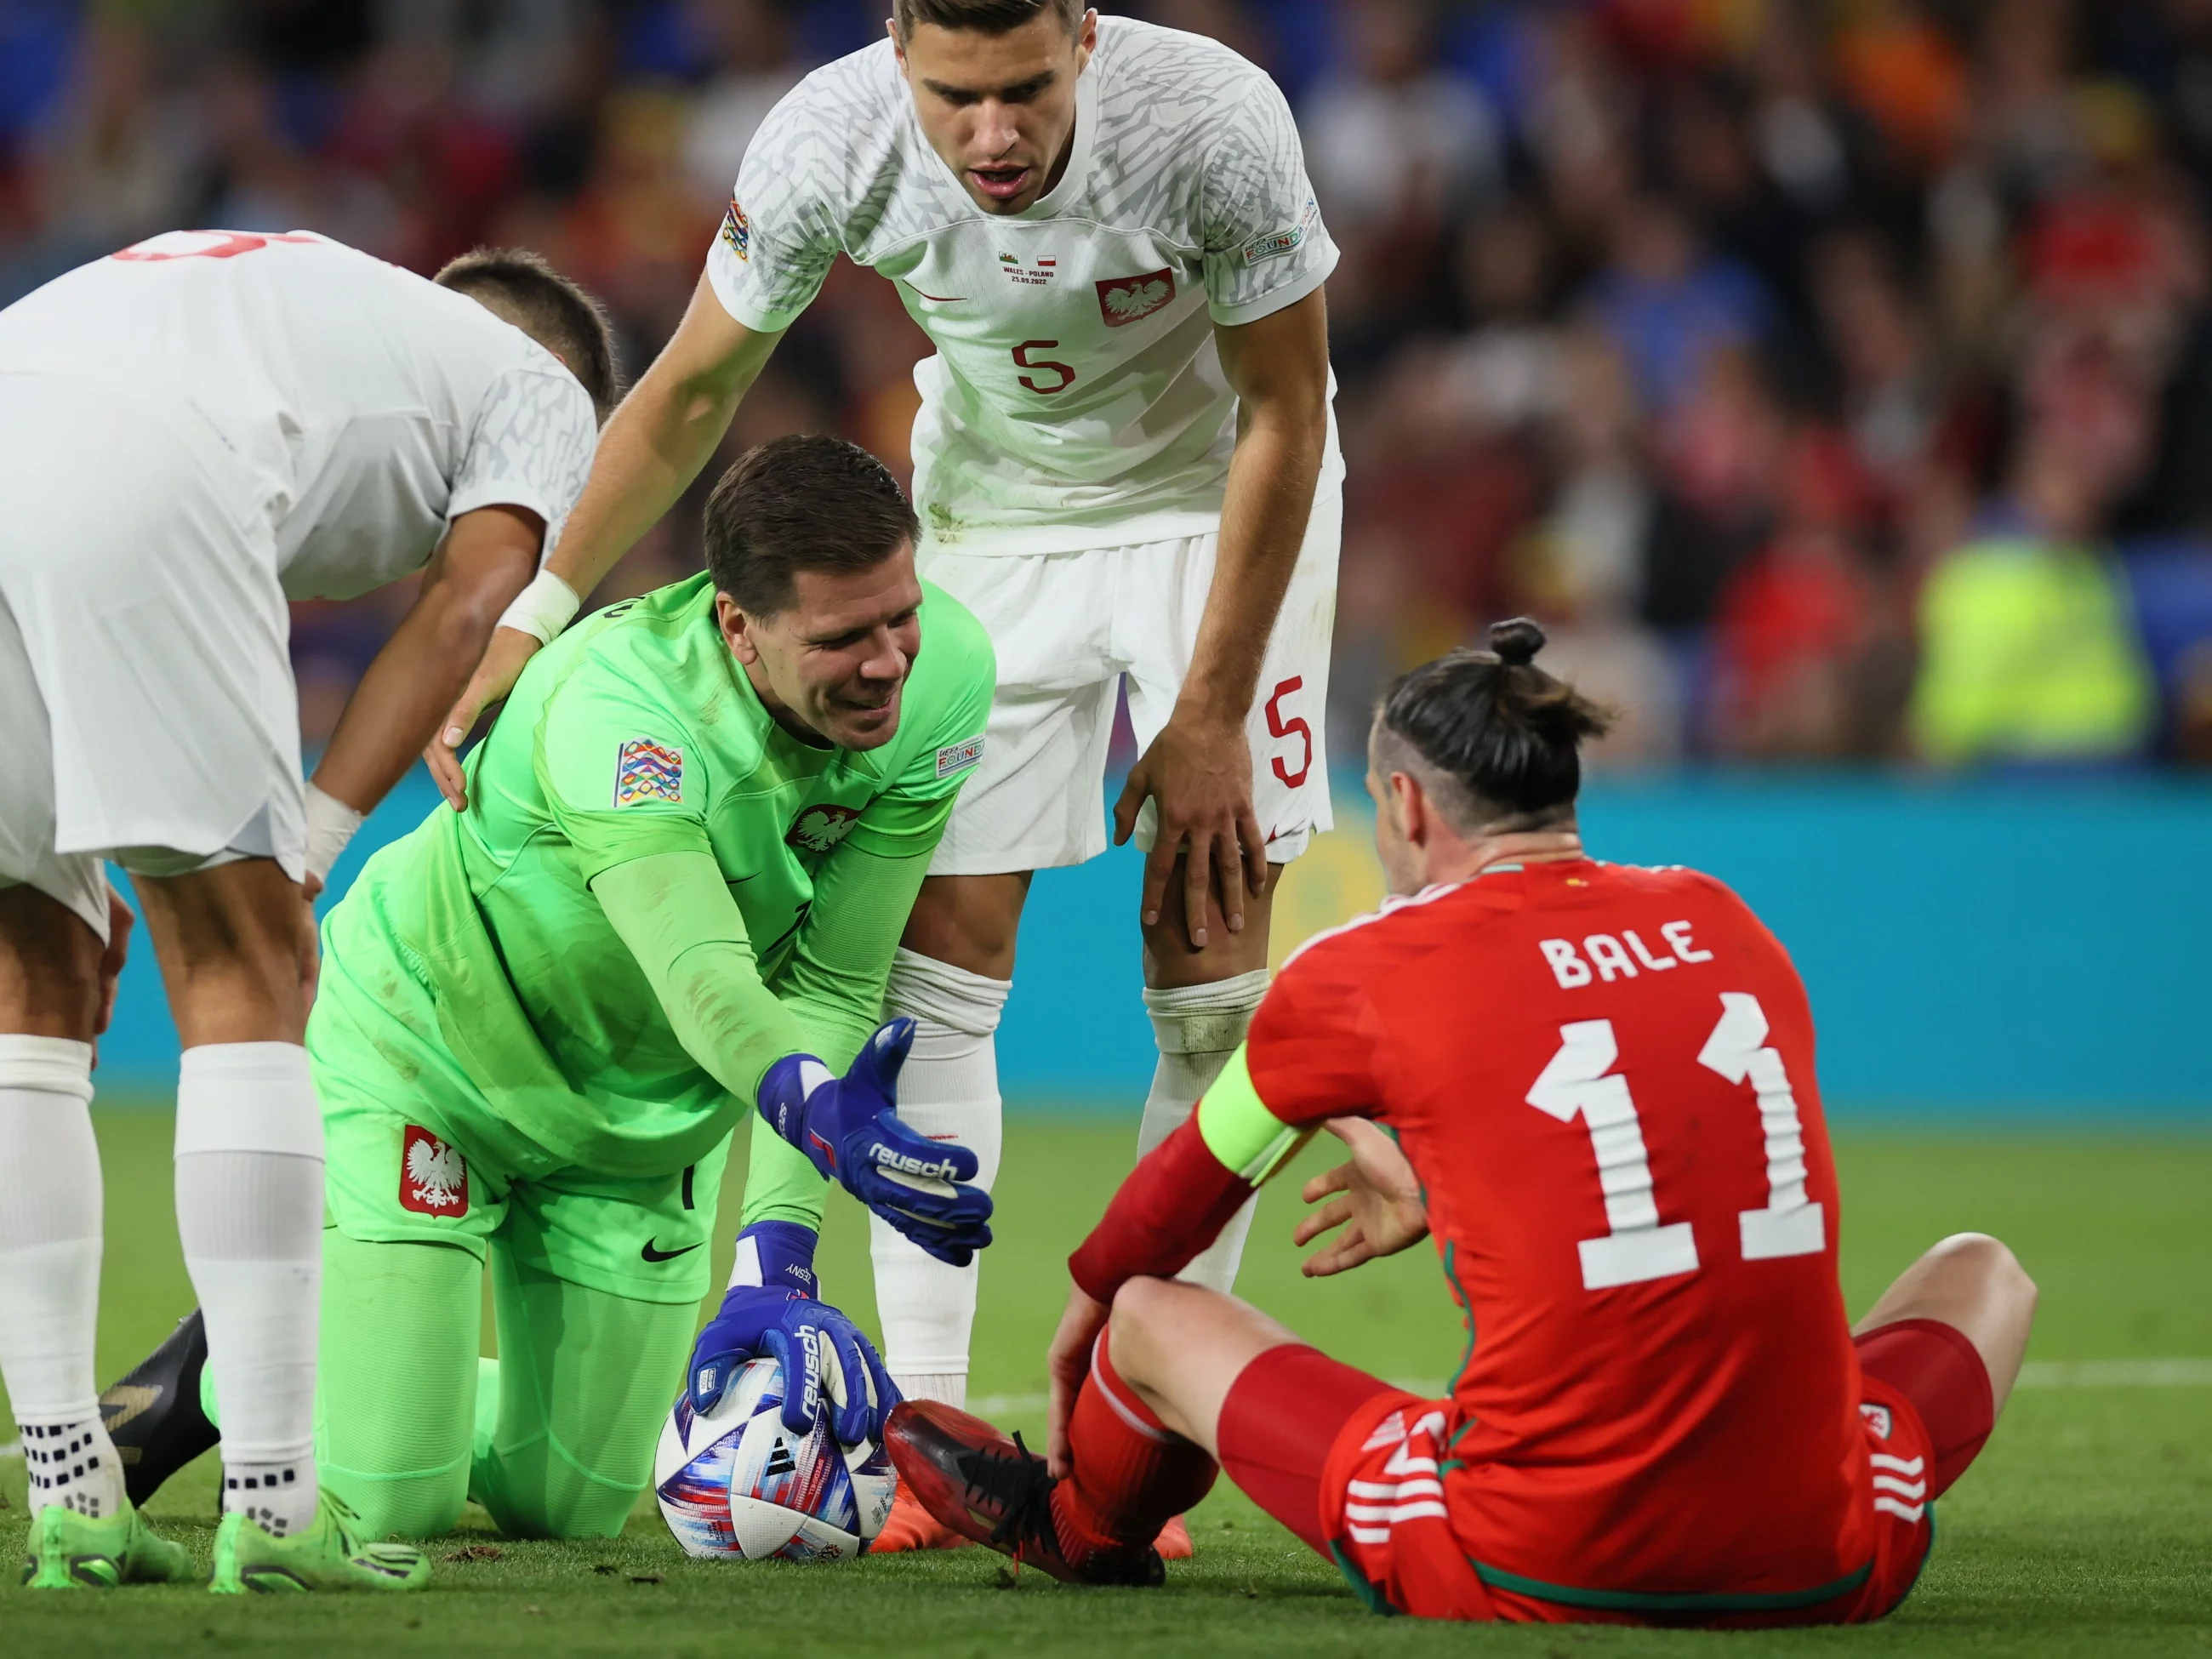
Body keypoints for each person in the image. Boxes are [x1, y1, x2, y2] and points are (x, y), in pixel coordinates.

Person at [425, 2, 1341, 1548]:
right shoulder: (829, 135)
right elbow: (694, 393)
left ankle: (1141, 1447)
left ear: (1084, 42)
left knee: (1209, 986)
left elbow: (1285, 407)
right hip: (988, 526)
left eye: (1028, 90)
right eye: (955, 96)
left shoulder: (1213, 120)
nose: (993, 134)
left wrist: (1209, 708)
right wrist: (533, 616)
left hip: (1218, 516)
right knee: (937, 974)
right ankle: (933, 1430)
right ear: (899, 51)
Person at [887, 619, 2039, 1625]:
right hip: (1831, 1556)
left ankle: (1079, 1526)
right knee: (1986, 1272)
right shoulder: (1720, 914)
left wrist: (1086, 1315)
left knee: (1151, 1311)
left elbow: (1167, 1208)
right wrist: (1458, 1178)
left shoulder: (1362, 969)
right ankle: (1792, 1479)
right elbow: (1676, 1137)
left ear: (1403, 803)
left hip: (1543, 1551)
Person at [99, 435, 997, 1555]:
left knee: (564, 1503)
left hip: (644, 1115)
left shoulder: (951, 671)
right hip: (432, 1058)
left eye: (899, 615)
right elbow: (704, 973)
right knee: (396, 1504)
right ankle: (221, 1373)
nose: (888, 665)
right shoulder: (617, 709)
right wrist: (821, 1112)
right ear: (736, 624)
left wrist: (779, 1251)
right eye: (842, 637)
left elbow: (831, 978)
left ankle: (360, 1360)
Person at [0, 231, 614, 1593]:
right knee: (246, 969)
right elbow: (471, 605)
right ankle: (277, 1509)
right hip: (140, 463)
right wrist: (311, 854)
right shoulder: (544, 389)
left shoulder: (285, 308)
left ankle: (71, 1493)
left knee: (29, 990)